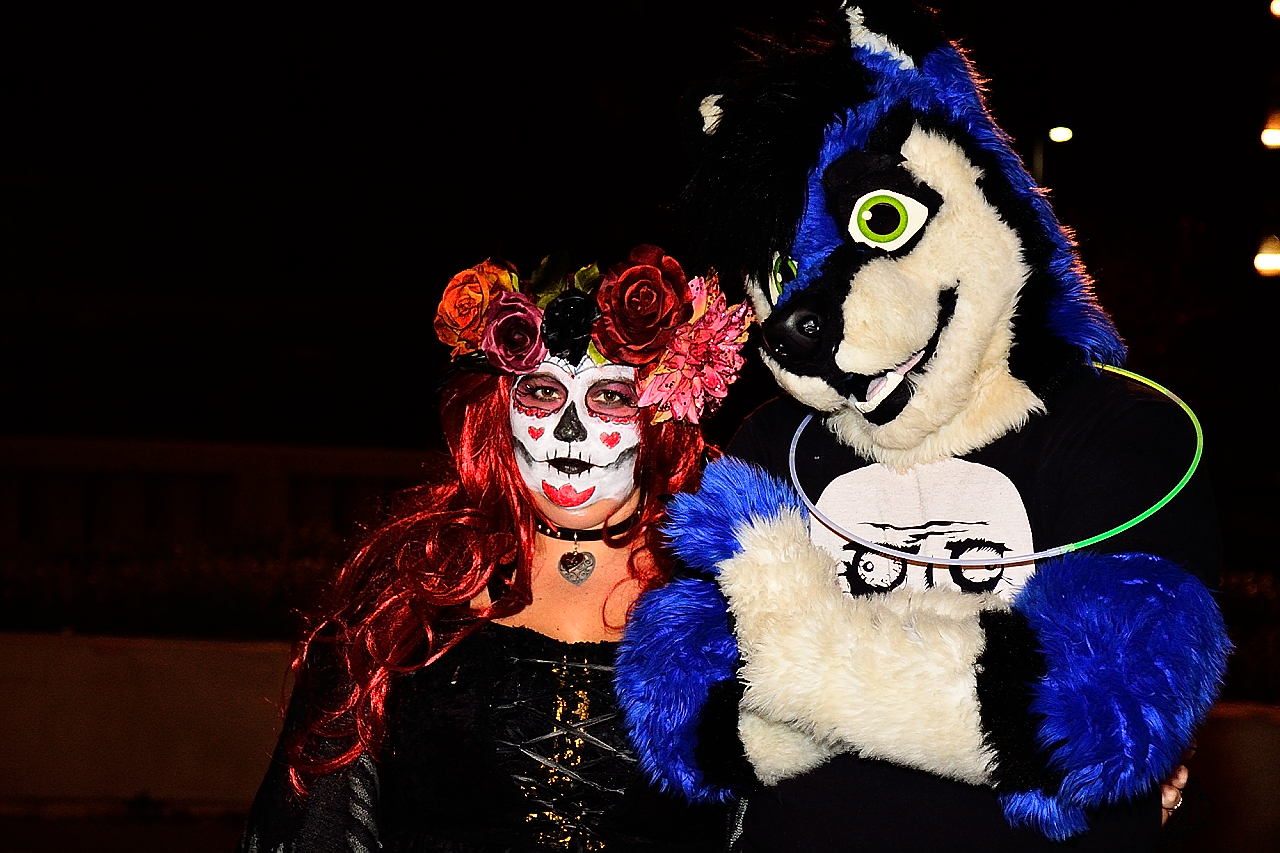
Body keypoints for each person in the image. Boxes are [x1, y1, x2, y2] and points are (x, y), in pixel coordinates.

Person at [238, 246, 753, 852]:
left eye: (610, 397)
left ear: (665, 411)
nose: (570, 430)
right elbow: (317, 820)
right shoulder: (415, 591)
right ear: (497, 412)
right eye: (542, 393)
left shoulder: (740, 593)